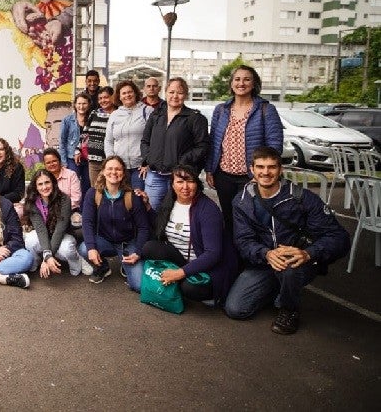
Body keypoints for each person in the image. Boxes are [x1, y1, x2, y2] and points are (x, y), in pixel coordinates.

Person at [225, 146, 350, 335]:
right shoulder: (242, 201)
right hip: (265, 262)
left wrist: (308, 253)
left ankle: (289, 309)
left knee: (290, 270)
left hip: (297, 261)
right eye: (260, 167)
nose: (266, 172)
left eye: (272, 167)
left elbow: (339, 237)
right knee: (236, 309)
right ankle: (279, 289)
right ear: (252, 169)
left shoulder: (303, 198)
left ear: (280, 169)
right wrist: (266, 254)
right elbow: (243, 240)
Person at [142, 165, 239, 306]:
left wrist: (180, 273)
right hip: (182, 260)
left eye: (190, 181)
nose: (185, 187)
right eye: (180, 182)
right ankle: (176, 280)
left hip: (206, 267)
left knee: (189, 288)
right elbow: (159, 228)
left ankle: (185, 284)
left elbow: (213, 254)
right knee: (149, 247)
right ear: (172, 184)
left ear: (197, 184)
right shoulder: (170, 201)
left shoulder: (208, 209)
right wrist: (148, 208)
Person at [206, 65, 283, 239]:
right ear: (231, 83)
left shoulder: (266, 109)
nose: (241, 83)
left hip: (252, 177)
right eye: (237, 79)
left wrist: (262, 172)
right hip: (223, 176)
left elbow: (275, 145)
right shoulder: (221, 110)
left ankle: (255, 254)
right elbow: (213, 142)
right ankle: (232, 255)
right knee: (229, 219)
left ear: (254, 83)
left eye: (247, 79)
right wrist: (210, 169)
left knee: (254, 220)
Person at [79, 155, 150, 291]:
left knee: (139, 285)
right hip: (104, 241)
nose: (114, 172)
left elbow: (143, 227)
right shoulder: (93, 193)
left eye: (118, 169)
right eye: (110, 169)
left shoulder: (132, 196)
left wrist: (138, 252)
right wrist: (92, 248)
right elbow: (87, 222)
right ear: (103, 171)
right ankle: (103, 267)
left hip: (128, 244)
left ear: (123, 173)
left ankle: (125, 264)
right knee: (84, 248)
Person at [140, 77, 209, 211]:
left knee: (179, 212)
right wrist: (149, 158)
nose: (175, 96)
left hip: (181, 177)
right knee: (151, 212)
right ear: (165, 93)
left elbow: (202, 146)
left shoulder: (195, 118)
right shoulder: (156, 115)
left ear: (186, 95)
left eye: (180, 93)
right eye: (171, 92)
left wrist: (183, 161)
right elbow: (145, 141)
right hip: (155, 176)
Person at [22, 169, 92, 278]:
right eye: (40, 184)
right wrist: (48, 256)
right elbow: (40, 229)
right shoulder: (32, 202)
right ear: (35, 187)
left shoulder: (64, 199)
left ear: (53, 183)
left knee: (67, 249)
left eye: (47, 182)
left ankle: (77, 262)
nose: (44, 187)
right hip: (44, 234)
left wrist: (47, 258)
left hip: (63, 235)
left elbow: (60, 229)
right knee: (30, 241)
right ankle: (35, 264)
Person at [104, 80, 154, 190]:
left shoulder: (148, 111)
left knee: (137, 196)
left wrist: (148, 163)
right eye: (124, 93)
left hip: (140, 167)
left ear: (135, 93)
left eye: (130, 92)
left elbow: (155, 140)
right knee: (120, 198)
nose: (127, 95)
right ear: (119, 97)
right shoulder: (115, 115)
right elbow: (108, 141)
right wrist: (111, 162)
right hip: (119, 168)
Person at [80, 86, 115, 188]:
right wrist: (78, 149)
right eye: (100, 98)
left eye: (106, 97)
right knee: (95, 190)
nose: (103, 101)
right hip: (93, 160)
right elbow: (85, 133)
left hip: (110, 161)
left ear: (112, 97)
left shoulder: (118, 114)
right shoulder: (94, 113)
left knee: (110, 189)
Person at [59, 92, 91, 193]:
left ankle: (85, 204)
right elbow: (62, 142)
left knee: (87, 186)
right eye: (79, 103)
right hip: (72, 159)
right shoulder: (67, 120)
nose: (81, 106)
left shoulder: (92, 119)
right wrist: (64, 162)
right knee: (73, 186)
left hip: (88, 158)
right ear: (75, 104)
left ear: (89, 104)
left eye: (84, 103)